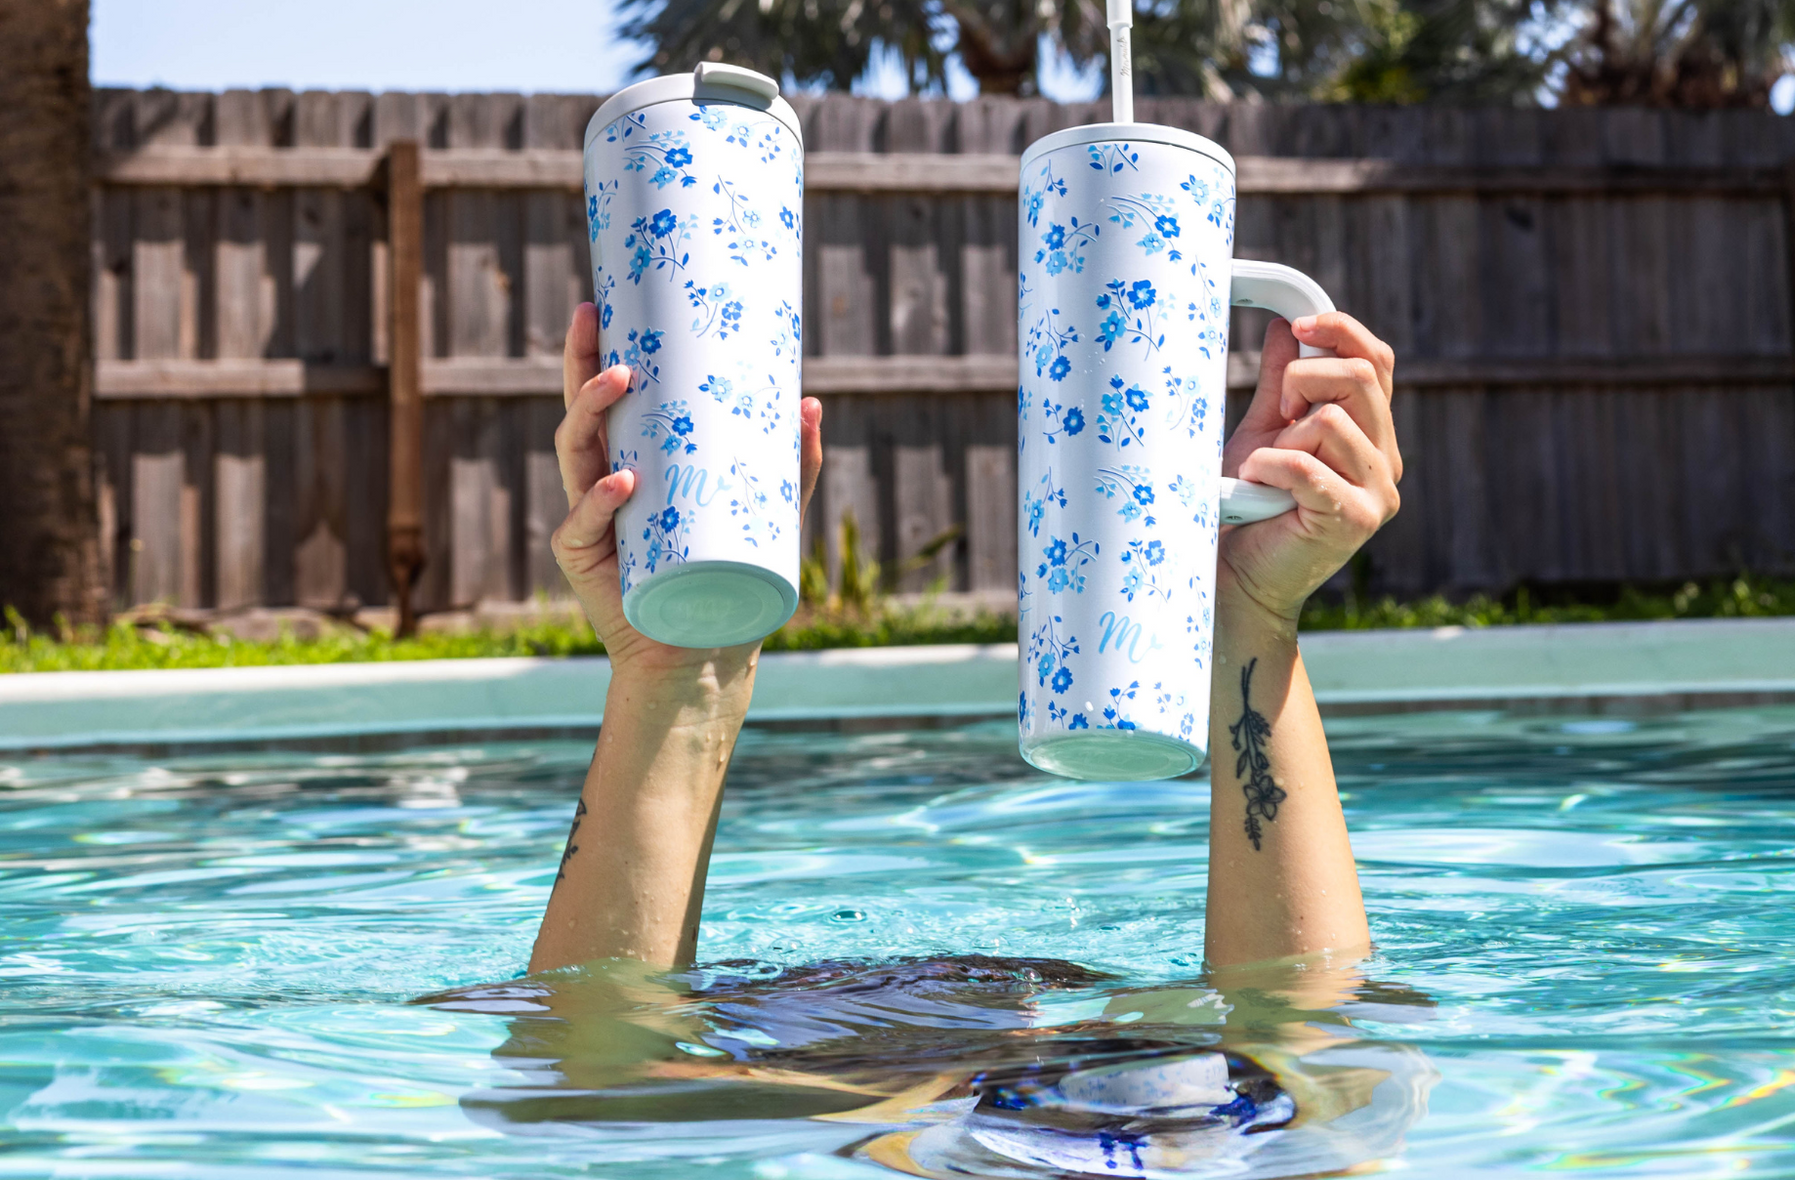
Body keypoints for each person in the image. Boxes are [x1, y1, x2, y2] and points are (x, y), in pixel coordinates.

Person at [529, 294, 1405, 979]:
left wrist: (678, 678)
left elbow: (594, 1090)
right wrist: (1246, 611)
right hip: (1065, 1071)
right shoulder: (1158, 1113)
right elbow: (1305, 1070)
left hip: (825, 1071)